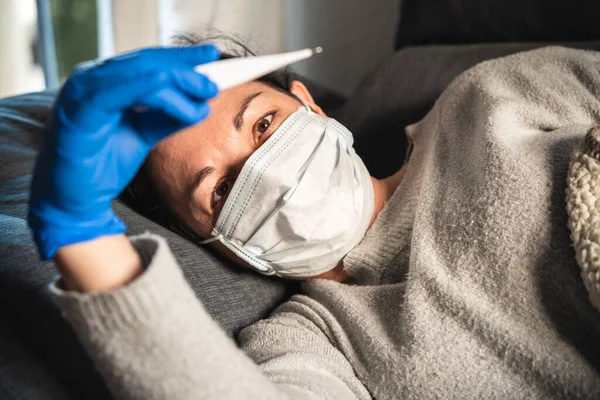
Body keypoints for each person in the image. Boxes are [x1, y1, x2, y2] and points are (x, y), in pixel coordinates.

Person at [27, 35, 600, 399]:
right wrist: (82, 234)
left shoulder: (488, 97)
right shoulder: (312, 343)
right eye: (223, 189)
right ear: (213, 244)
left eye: (263, 126)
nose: (270, 172)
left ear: (310, 103)